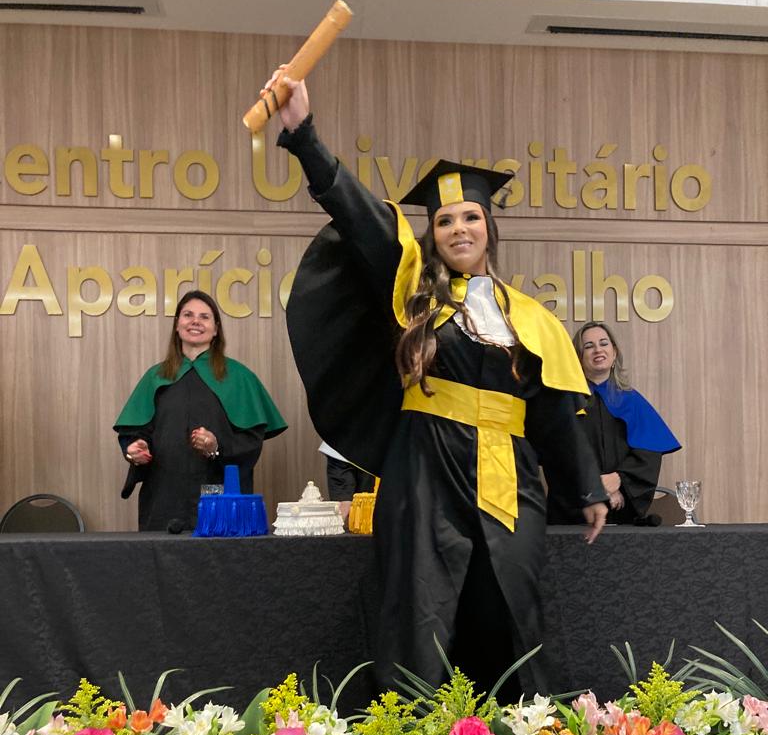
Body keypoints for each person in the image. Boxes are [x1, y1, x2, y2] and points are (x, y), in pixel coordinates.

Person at [269, 72, 607, 692]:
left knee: (514, 600)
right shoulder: (412, 295)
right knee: (421, 609)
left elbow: (554, 413)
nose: (459, 229)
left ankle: (519, 734)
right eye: (446, 220)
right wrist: (304, 135)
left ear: (489, 227)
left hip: (509, 475)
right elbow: (359, 214)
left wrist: (586, 486)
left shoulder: (529, 318)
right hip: (424, 470)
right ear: (434, 233)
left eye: (470, 216)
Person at [114, 289, 287, 531]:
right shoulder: (155, 377)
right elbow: (135, 433)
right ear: (177, 325)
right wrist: (135, 449)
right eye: (188, 315)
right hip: (164, 498)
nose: (195, 321)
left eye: (204, 317)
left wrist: (216, 447)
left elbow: (251, 441)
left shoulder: (239, 377)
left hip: (220, 498)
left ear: (216, 329)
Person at [547, 321, 681, 526]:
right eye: (589, 346)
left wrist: (619, 481)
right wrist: (596, 490)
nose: (598, 350)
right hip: (573, 512)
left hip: (621, 508)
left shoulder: (632, 401)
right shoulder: (564, 403)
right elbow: (557, 456)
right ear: (578, 357)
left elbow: (648, 455)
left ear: (614, 352)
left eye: (604, 343)